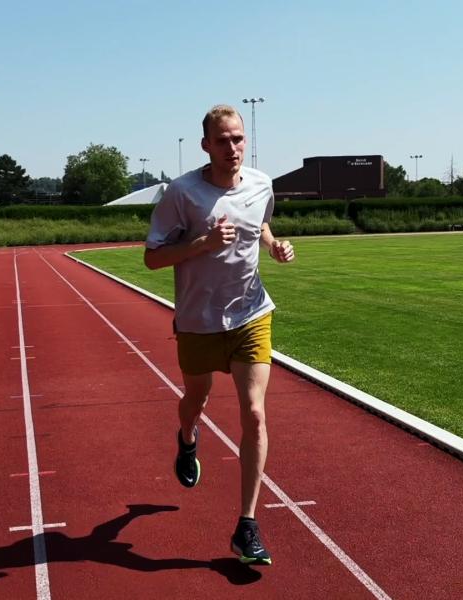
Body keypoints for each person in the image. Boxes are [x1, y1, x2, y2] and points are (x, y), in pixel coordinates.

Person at [143, 104, 294, 565]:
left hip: (251, 315)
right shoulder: (182, 193)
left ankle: (247, 525)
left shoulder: (262, 184)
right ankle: (187, 437)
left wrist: (273, 244)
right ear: (206, 145)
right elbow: (153, 258)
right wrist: (204, 244)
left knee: (255, 414)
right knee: (197, 400)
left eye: (238, 138)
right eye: (223, 140)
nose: (232, 147)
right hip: (198, 321)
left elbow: (259, 222)